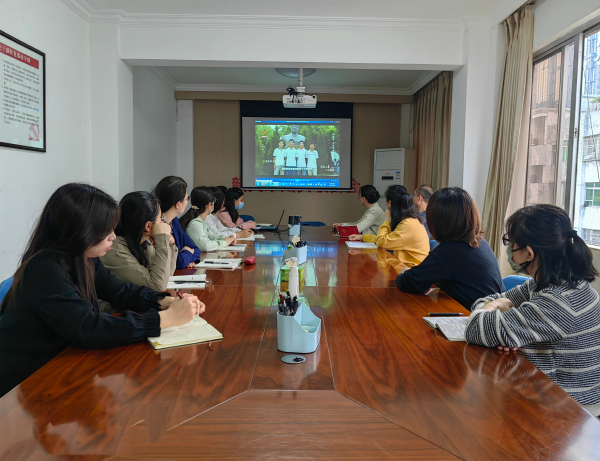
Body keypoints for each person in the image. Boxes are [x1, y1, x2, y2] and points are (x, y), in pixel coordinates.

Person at [0, 183, 205, 398]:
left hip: (65, 366)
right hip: (27, 383)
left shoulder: (84, 258)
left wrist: (162, 301)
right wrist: (165, 319)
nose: (113, 237)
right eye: (105, 230)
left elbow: (121, 292)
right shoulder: (45, 269)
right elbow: (88, 328)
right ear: (80, 231)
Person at [465, 204, 600, 417]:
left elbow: (475, 327)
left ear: (528, 253)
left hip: (570, 411)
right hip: (548, 392)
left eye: (510, 242)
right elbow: (483, 306)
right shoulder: (548, 284)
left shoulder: (558, 303)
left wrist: (494, 309)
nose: (509, 248)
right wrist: (504, 327)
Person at [396, 187, 504, 309]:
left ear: (436, 221)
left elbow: (410, 282)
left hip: (472, 316)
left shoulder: (449, 251)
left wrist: (403, 272)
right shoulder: (480, 241)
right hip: (493, 314)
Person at [101, 192, 177, 292]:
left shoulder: (145, 242)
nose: (163, 222)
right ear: (148, 226)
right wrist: (162, 240)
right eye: (160, 218)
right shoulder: (115, 250)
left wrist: (170, 244)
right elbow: (158, 286)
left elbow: (166, 276)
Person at [349, 191, 429, 267]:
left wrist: (387, 221)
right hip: (407, 267)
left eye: (388, 206)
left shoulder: (407, 225)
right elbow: (388, 239)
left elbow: (381, 242)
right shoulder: (411, 220)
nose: (386, 207)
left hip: (411, 270)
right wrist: (363, 237)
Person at [152, 176, 200, 270]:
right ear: (178, 204)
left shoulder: (174, 221)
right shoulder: (156, 226)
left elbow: (196, 250)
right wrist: (187, 253)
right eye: (187, 198)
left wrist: (185, 257)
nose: (188, 201)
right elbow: (178, 262)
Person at [180, 187, 236, 252]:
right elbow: (206, 246)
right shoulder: (195, 223)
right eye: (214, 201)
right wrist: (225, 242)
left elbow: (212, 236)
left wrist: (227, 239)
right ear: (209, 205)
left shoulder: (201, 220)